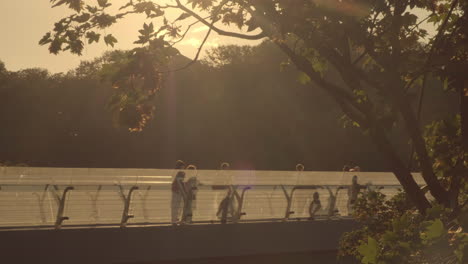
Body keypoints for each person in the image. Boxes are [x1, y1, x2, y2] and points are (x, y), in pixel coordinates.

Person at [171, 160, 186, 224]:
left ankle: (174, 219)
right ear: (180, 166)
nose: (184, 168)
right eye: (183, 166)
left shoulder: (174, 172)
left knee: (175, 205)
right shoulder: (180, 173)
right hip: (178, 191)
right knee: (178, 205)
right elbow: (180, 182)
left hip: (174, 190)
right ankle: (175, 219)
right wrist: (183, 192)